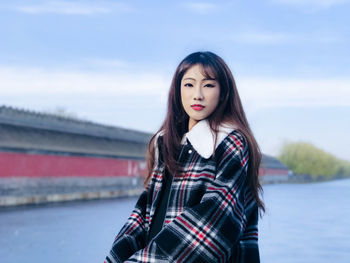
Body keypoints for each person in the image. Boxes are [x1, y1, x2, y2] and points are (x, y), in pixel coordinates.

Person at [105, 51, 265, 263]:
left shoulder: (231, 142)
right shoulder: (165, 144)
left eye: (208, 85)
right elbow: (142, 215)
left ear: (223, 92)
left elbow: (215, 221)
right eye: (189, 84)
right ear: (177, 90)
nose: (197, 94)